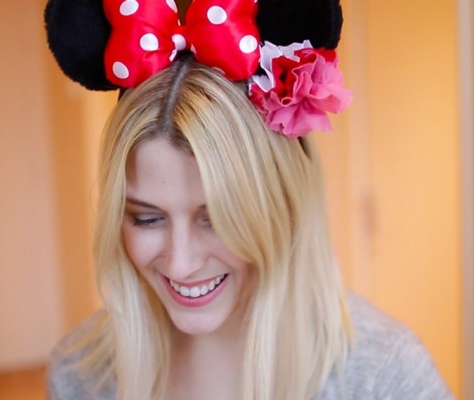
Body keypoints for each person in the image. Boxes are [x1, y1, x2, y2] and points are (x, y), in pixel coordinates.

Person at [44, 0, 454, 399]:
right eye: (147, 219)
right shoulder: (79, 376)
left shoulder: (384, 376)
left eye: (217, 217)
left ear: (285, 204)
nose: (181, 263)